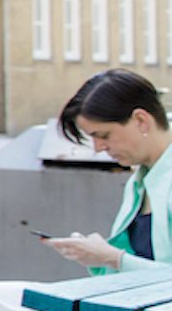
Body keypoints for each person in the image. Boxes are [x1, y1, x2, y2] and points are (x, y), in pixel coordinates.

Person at [42, 69, 171, 274]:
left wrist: (113, 258)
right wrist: (94, 256)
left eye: (103, 135)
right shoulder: (139, 182)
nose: (98, 148)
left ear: (141, 120)